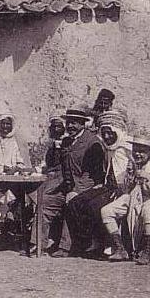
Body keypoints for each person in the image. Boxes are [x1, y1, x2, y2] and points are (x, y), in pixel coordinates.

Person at [52, 106, 108, 258]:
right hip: (68, 184)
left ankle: (65, 247)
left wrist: (75, 190)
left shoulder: (93, 143)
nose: (70, 126)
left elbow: (94, 174)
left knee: (70, 202)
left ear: (83, 124)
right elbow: (62, 168)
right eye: (69, 122)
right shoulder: (66, 142)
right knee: (46, 200)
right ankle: (38, 243)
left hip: (88, 184)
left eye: (75, 123)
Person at [101, 135, 150, 264]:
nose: (138, 154)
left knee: (147, 211)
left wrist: (147, 178)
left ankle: (146, 251)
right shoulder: (132, 163)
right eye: (136, 150)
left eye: (142, 151)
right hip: (133, 196)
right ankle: (120, 249)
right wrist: (129, 177)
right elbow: (126, 189)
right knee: (106, 211)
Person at [25, 115, 70, 256]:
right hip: (52, 178)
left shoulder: (67, 143)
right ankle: (38, 242)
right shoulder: (52, 145)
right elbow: (48, 165)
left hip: (64, 182)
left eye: (59, 126)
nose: (56, 129)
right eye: (54, 127)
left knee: (43, 199)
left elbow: (61, 166)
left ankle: (43, 241)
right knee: (34, 196)